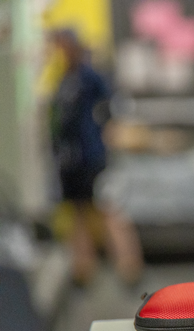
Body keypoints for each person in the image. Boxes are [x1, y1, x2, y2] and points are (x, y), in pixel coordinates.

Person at [50, 29, 143, 285]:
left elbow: (113, 106)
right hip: (70, 161)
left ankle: (128, 266)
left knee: (108, 208)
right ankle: (83, 267)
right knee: (78, 212)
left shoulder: (90, 76)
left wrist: (109, 133)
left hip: (92, 157)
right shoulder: (64, 79)